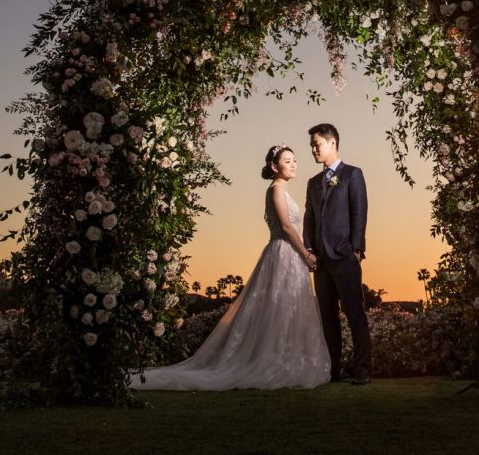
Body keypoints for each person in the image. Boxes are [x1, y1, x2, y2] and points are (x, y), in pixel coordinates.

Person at [130, 145, 330, 391]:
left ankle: (287, 359)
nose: (293, 164)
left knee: (288, 307)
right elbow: (287, 227)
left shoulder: (284, 190)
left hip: (290, 256)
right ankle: (271, 362)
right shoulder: (276, 189)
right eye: (287, 161)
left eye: (295, 160)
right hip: (283, 253)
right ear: (274, 167)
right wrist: (307, 255)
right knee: (278, 306)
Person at [303, 122, 372, 384]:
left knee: (355, 314)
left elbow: (360, 213)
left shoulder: (353, 174)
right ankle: (332, 371)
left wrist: (357, 249)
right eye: (311, 145)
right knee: (327, 318)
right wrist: (309, 250)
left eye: (316, 144)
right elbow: (309, 219)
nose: (313, 149)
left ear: (332, 143)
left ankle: (363, 370)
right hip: (320, 261)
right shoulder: (312, 183)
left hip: (345, 256)